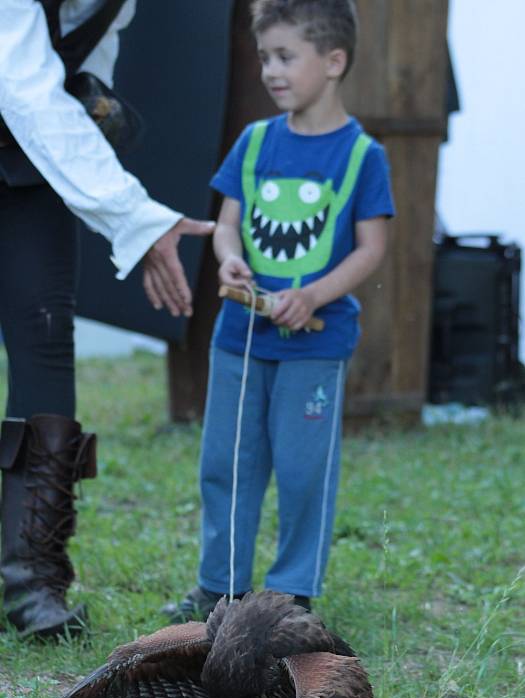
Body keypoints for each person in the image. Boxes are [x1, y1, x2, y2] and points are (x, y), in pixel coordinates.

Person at [163, 0, 395, 623]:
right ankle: (221, 586)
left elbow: (372, 247)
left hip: (316, 344)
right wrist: (229, 258)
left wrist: (314, 295)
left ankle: (293, 592)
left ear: (334, 61)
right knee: (226, 463)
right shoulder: (255, 141)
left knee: (300, 470)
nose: (270, 70)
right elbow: (228, 227)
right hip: (239, 336)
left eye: (286, 56)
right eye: (265, 56)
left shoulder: (361, 155)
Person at [0, 0, 214, 639]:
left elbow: (81, 69)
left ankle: (32, 580)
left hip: (26, 159)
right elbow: (25, 87)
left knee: (45, 336)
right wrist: (135, 218)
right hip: (23, 110)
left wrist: (95, 108)